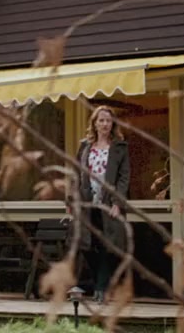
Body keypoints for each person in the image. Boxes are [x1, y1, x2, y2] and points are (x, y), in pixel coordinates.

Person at [65, 105, 131, 303]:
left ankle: (101, 288)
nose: (105, 124)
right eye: (101, 120)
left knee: (106, 246)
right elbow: (75, 174)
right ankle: (101, 284)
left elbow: (124, 178)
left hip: (108, 204)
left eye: (108, 121)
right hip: (86, 203)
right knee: (87, 245)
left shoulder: (120, 148)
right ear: (94, 123)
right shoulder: (85, 146)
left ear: (113, 124)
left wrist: (118, 203)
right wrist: (71, 201)